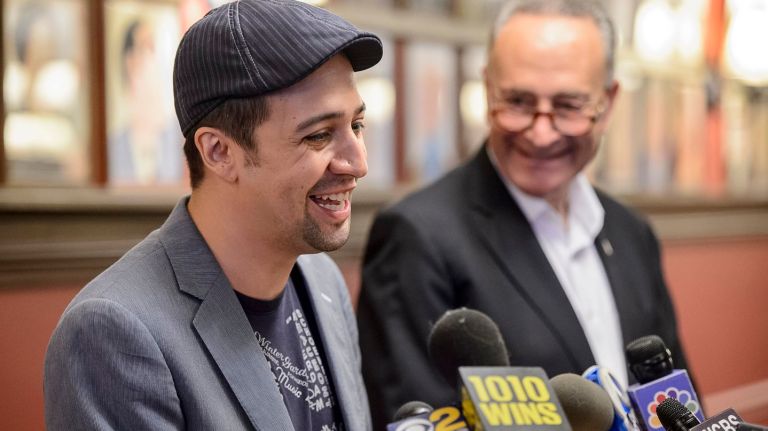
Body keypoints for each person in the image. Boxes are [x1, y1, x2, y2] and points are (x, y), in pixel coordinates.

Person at [44, 1, 382, 429]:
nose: (357, 163)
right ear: (219, 152)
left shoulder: (323, 282)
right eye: (318, 135)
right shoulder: (114, 332)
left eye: (356, 125)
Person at [356, 0, 692, 427]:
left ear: (607, 103)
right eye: (517, 102)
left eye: (568, 106)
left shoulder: (632, 233)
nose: (541, 131)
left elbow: (678, 400)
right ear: (488, 90)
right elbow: (412, 415)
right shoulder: (417, 236)